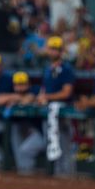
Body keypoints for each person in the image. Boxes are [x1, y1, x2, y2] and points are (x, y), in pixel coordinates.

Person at [35, 36, 76, 175]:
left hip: (62, 112)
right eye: (52, 49)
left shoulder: (66, 69)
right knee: (52, 144)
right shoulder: (47, 68)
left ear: (61, 51)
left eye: (56, 49)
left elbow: (66, 93)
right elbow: (44, 89)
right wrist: (42, 97)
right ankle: (56, 177)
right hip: (49, 111)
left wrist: (46, 97)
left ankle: (69, 178)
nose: (53, 52)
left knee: (65, 147)